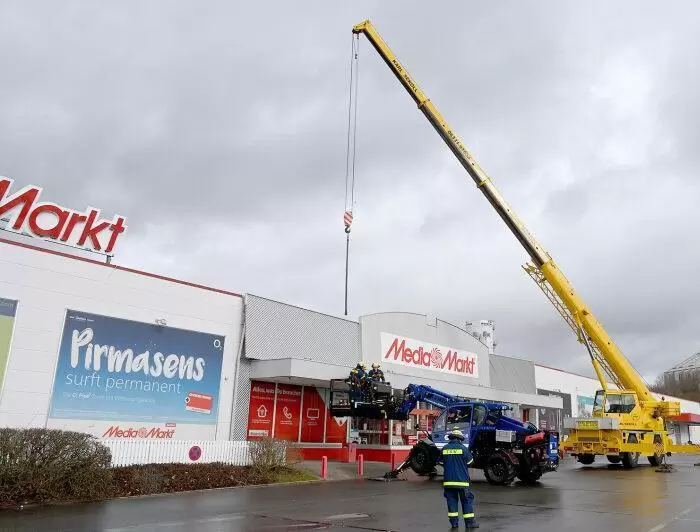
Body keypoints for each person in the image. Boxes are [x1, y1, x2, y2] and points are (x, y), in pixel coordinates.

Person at [438, 428, 478, 529]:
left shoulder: (445, 448)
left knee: (451, 503)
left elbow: (440, 462)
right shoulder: (463, 449)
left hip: (448, 482)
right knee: (466, 501)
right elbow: (470, 462)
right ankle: (469, 523)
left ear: (451, 438)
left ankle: (454, 523)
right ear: (460, 439)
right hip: (462, 482)